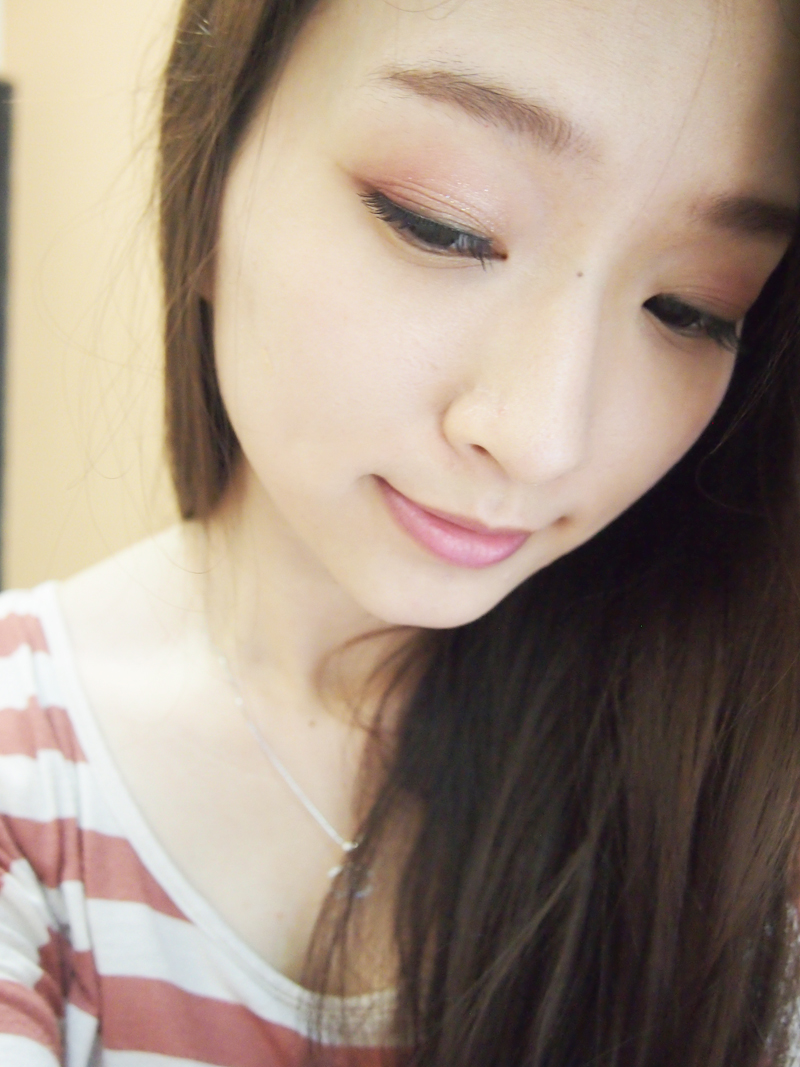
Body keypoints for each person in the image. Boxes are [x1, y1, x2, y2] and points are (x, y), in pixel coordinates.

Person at [1, 0, 800, 1063]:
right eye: (442, 223)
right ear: (210, 165)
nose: (541, 438)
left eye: (691, 306)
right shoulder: (27, 776)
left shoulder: (736, 802)